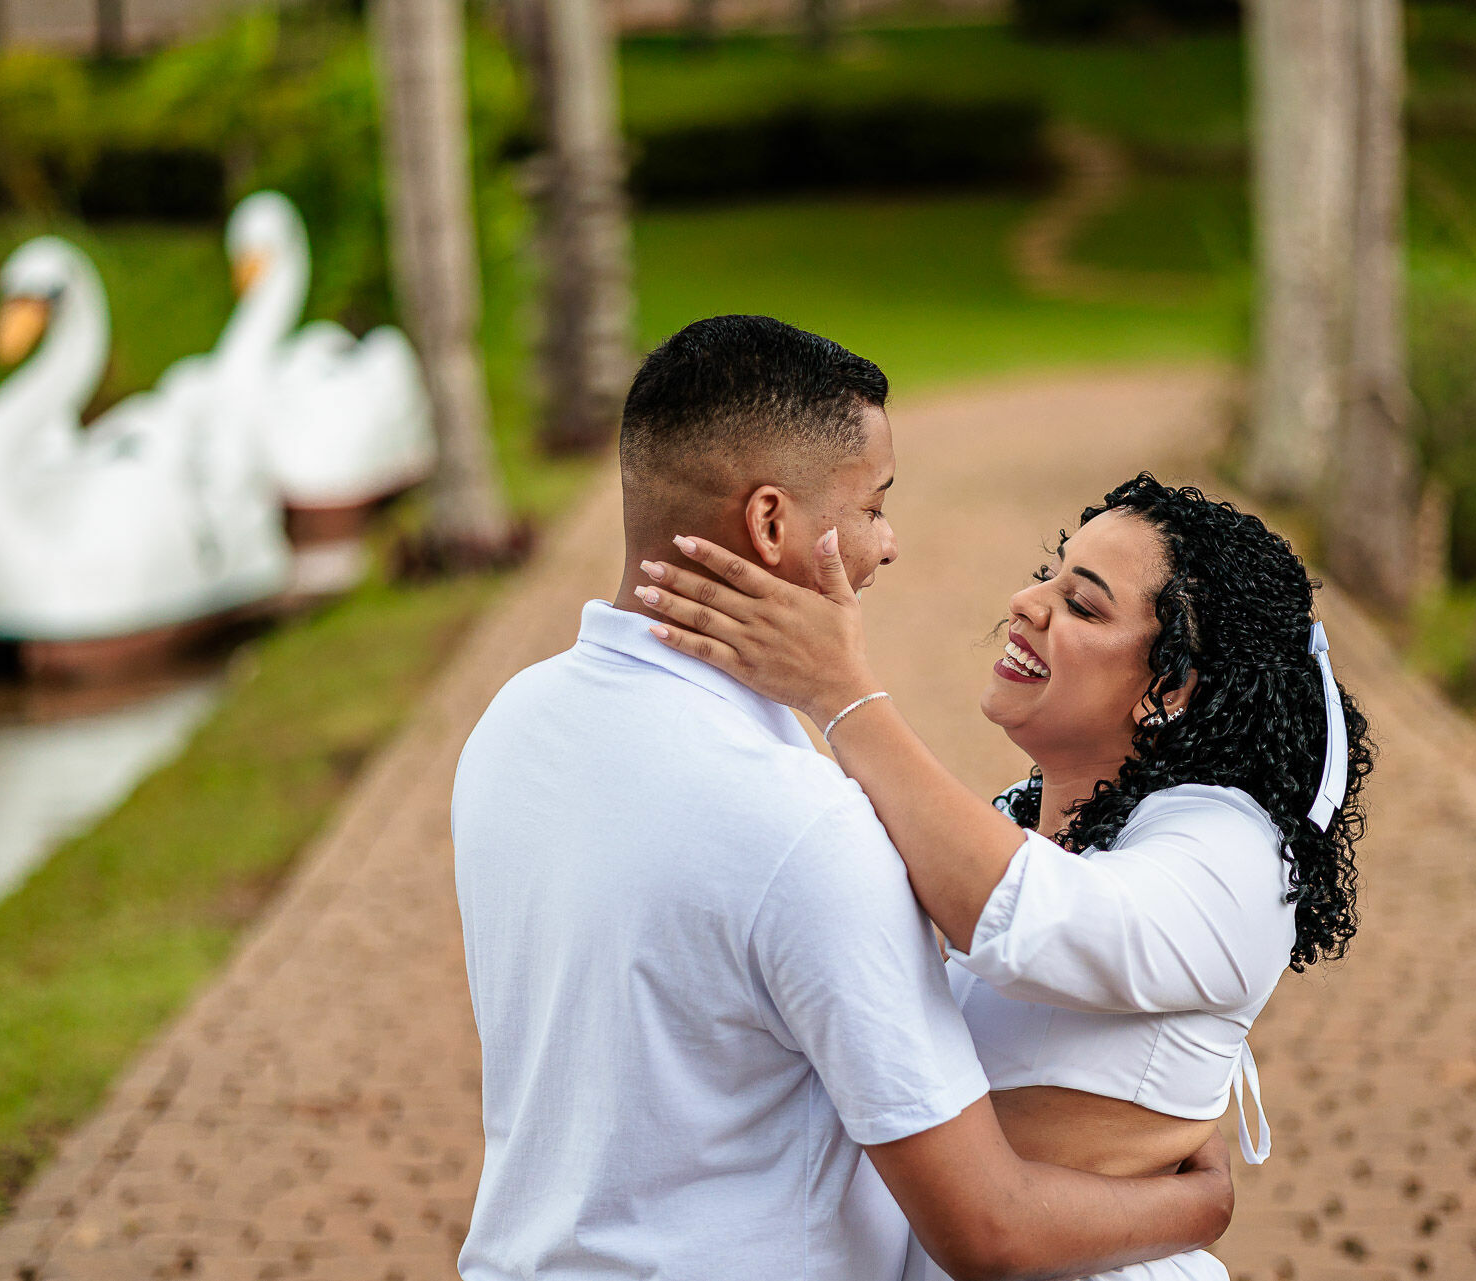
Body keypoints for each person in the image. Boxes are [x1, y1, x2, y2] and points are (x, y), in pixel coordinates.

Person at [451, 317, 1235, 1281]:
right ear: (773, 523)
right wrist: (1198, 1202)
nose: (890, 544)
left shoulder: (509, 726)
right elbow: (988, 1228)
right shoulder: (805, 830)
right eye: (873, 506)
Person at [636, 472, 1374, 1280]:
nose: (1027, 600)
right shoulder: (1019, 817)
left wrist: (840, 691)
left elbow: (1024, 916)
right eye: (1052, 571)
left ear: (1169, 689)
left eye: (1083, 604)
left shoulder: (1238, 850)